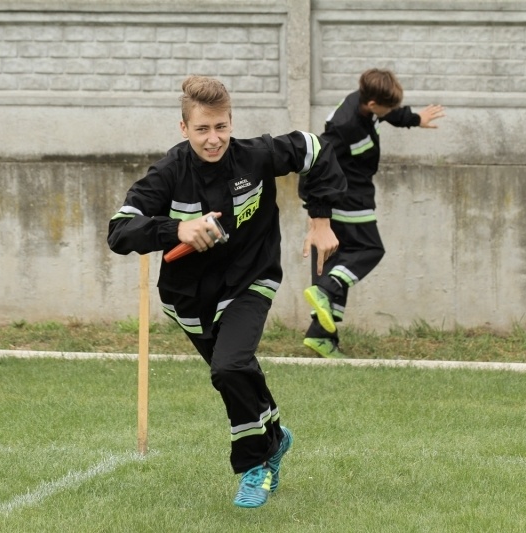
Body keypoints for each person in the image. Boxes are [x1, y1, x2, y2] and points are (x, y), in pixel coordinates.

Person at [108, 76, 346, 508]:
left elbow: (317, 149)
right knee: (236, 373)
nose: (213, 139)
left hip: (250, 280)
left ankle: (254, 466)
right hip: (188, 301)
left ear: (231, 122)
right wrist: (176, 228)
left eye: (221, 127)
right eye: (202, 129)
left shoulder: (256, 156)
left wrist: (321, 220)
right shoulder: (168, 173)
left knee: (229, 367)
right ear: (184, 129)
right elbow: (119, 230)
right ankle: (274, 436)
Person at [302, 68, 445, 359]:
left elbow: (390, 113)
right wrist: (315, 212)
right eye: (386, 106)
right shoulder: (344, 128)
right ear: (370, 104)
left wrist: (416, 119)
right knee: (370, 249)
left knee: (336, 258)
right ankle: (326, 290)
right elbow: (314, 162)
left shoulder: (367, 102)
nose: (390, 111)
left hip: (350, 193)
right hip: (348, 197)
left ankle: (322, 336)